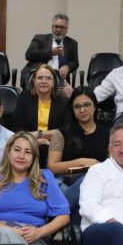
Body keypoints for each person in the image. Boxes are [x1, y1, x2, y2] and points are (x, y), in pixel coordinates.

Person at [0, 131, 70, 245]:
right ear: (8, 152)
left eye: (28, 152)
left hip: (33, 240)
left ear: (34, 157)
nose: (22, 156)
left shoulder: (45, 179)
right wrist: (12, 232)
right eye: (17, 150)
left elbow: (63, 216)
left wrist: (40, 232)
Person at [47, 87, 109, 219]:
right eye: (77, 106)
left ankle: (55, 218)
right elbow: (52, 167)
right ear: (72, 110)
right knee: (85, 184)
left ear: (95, 106)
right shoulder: (62, 133)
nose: (82, 110)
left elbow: (114, 165)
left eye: (86, 105)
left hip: (100, 185)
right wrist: (82, 162)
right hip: (67, 183)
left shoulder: (108, 134)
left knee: (88, 188)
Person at [13, 63, 69, 152]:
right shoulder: (25, 97)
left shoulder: (63, 101)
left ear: (54, 82)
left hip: (55, 145)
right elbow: (18, 127)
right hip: (29, 144)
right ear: (34, 81)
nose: (44, 81)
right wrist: (36, 140)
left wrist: (39, 134)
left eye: (48, 78)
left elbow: (65, 130)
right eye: (40, 78)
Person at [23, 13, 79, 83]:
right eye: (56, 26)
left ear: (67, 28)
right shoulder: (40, 38)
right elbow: (29, 55)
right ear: (52, 27)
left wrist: (68, 67)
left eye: (62, 27)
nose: (58, 29)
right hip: (38, 77)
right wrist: (50, 52)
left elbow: (75, 62)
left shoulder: (72, 43)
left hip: (59, 79)